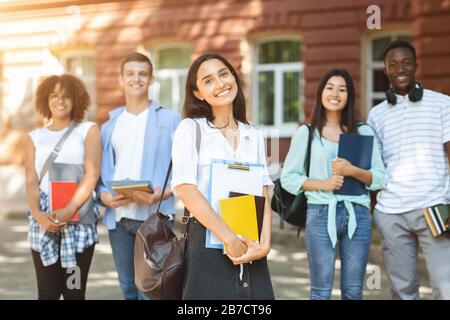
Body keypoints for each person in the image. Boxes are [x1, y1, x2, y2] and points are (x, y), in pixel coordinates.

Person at [171, 53, 274, 299]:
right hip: (207, 240)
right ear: (198, 93)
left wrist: (265, 245)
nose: (220, 84)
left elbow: (264, 191)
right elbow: (186, 188)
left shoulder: (253, 134)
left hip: (251, 237)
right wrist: (229, 238)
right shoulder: (191, 129)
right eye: (208, 80)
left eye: (224, 74)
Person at [281, 69, 386, 300]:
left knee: (353, 291)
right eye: (330, 87)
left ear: (349, 95)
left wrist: (353, 171)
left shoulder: (363, 131)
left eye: (342, 89)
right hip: (320, 213)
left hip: (357, 215)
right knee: (320, 292)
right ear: (321, 93)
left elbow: (380, 177)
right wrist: (324, 183)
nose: (335, 93)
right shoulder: (307, 133)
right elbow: (289, 178)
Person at [368, 40, 450, 300]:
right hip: (391, 213)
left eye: (406, 63)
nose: (400, 69)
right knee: (403, 291)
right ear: (385, 70)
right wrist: (374, 210)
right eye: (393, 64)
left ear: (416, 66)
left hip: (434, 207)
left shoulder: (442, 104)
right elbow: (375, 166)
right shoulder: (376, 115)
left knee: (445, 287)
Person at [96, 52, 181, 300]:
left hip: (155, 219)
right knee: (128, 289)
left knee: (152, 291)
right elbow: (101, 176)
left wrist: (164, 193)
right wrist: (104, 198)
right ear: (121, 79)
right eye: (130, 74)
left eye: (142, 74)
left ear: (151, 79)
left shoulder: (170, 119)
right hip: (119, 221)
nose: (136, 79)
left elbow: (186, 168)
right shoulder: (110, 125)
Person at [24, 74, 101, 299]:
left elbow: (92, 174)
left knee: (74, 291)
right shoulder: (34, 137)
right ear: (45, 100)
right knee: (47, 293)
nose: (60, 101)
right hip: (43, 223)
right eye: (54, 95)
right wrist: (38, 215)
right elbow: (31, 180)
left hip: (77, 225)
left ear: (76, 99)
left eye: (67, 96)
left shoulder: (88, 130)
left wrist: (69, 210)